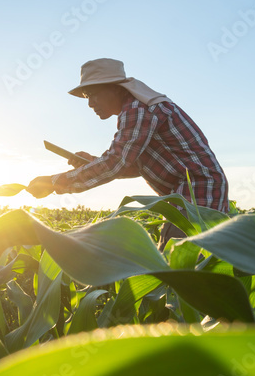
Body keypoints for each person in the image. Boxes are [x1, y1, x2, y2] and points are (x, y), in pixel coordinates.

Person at [26, 58, 229, 248]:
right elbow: (133, 166)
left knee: (175, 260)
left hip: (198, 188)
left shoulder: (138, 109)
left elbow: (116, 162)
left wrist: (53, 182)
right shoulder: (137, 108)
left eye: (92, 94)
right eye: (87, 96)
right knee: (180, 264)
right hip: (187, 191)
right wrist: (92, 162)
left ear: (115, 89)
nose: (89, 103)